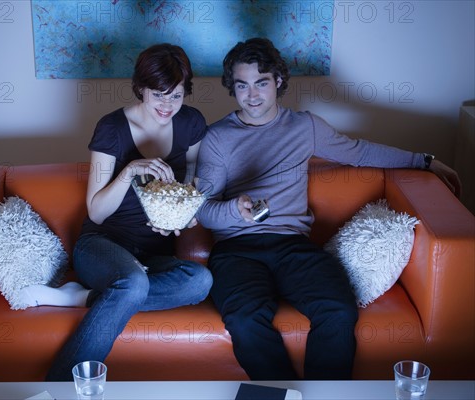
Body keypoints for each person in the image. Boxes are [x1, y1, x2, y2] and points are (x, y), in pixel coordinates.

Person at [195, 37, 461, 380]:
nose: (252, 95)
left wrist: (424, 161)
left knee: (337, 310)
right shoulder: (218, 137)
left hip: (292, 245)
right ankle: (284, 394)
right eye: (242, 85)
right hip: (236, 250)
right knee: (246, 320)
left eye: (261, 83)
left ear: (277, 82)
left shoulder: (305, 127)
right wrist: (235, 210)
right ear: (233, 88)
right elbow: (202, 210)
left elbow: (361, 152)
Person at [44, 43, 213, 381]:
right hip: (102, 245)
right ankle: (59, 387)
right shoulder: (112, 129)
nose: (167, 105)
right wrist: (130, 170)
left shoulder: (192, 123)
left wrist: (183, 214)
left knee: (200, 281)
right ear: (141, 88)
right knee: (133, 283)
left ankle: (95, 297)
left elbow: (193, 178)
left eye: (176, 96)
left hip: (152, 252)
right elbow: (97, 211)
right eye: (158, 94)